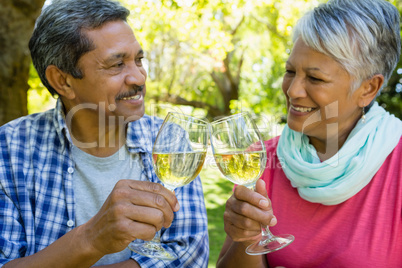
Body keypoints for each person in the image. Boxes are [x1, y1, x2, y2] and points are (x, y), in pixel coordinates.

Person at [0, 0, 209, 267]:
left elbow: (189, 255)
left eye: (138, 60)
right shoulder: (8, 149)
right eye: (117, 64)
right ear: (62, 81)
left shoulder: (171, 140)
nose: (139, 78)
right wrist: (92, 239)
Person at [216, 0, 402, 267]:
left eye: (315, 79)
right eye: (290, 71)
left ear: (368, 89)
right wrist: (244, 238)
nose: (292, 91)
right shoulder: (260, 160)